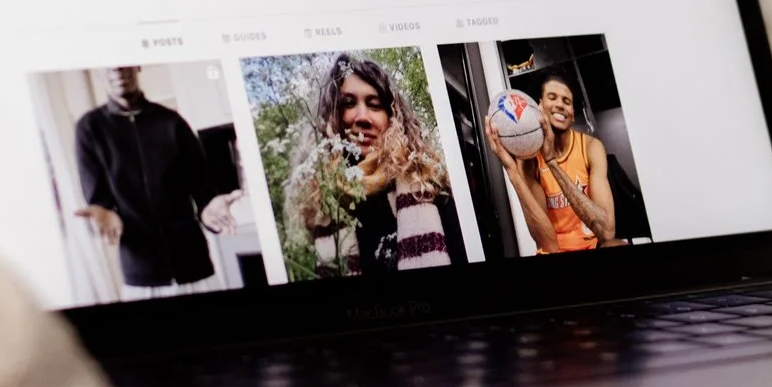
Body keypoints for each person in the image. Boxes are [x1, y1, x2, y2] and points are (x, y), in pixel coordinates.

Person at [283, 52, 466, 275]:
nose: (362, 117)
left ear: (393, 117)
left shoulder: (429, 189)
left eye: (375, 105)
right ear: (332, 117)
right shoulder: (322, 210)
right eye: (348, 103)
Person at [72, 66, 241, 292]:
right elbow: (99, 201)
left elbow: (204, 191)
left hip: (195, 268)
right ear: (99, 70)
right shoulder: (89, 128)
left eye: (122, 61)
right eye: (108, 64)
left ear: (137, 65)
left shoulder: (173, 122)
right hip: (140, 275)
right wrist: (104, 214)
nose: (117, 69)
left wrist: (208, 210)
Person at [485, 72, 617, 252]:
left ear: (572, 114)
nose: (560, 105)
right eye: (552, 97)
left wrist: (551, 161)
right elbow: (548, 245)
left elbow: (607, 232)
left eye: (566, 101)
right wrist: (513, 172)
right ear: (538, 107)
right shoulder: (530, 160)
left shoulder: (590, 147)